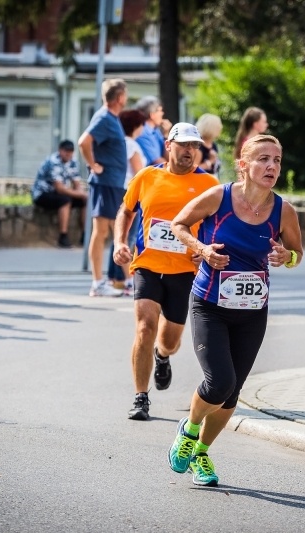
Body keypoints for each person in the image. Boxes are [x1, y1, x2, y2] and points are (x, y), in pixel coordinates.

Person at [167, 134, 303, 487]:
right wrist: (202, 249)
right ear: (243, 165)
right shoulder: (219, 197)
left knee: (232, 393)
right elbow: (178, 225)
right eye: (262, 159)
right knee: (219, 381)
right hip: (210, 304)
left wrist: (285, 256)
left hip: (253, 311)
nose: (271, 166)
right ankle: (189, 430)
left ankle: (200, 454)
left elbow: (297, 254)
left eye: (276, 159)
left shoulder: (283, 210)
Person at [112, 122, 219, 421]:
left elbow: (218, 223)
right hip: (147, 264)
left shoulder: (209, 185)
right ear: (168, 145)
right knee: (144, 326)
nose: (189, 151)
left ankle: (162, 356)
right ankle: (140, 397)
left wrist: (205, 250)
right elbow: (126, 209)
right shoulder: (147, 176)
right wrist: (120, 241)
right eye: (184, 144)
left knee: (170, 340)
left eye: (195, 146)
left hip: (184, 270)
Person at [78, 78, 128, 296]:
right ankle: (98, 283)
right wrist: (92, 165)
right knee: (101, 232)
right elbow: (83, 142)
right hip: (104, 181)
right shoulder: (104, 118)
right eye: (125, 94)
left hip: (112, 182)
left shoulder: (111, 118)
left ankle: (123, 280)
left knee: (111, 231)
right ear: (119, 98)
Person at [106, 108, 147, 290]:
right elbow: (139, 172)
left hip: (120, 189)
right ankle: (126, 279)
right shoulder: (131, 144)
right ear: (136, 126)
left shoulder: (122, 143)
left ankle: (115, 278)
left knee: (119, 235)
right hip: (132, 191)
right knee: (128, 236)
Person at [32, 139, 88, 248]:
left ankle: (84, 235)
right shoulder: (53, 161)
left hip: (58, 194)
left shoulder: (73, 162)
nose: (68, 153)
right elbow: (60, 189)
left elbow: (77, 183)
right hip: (43, 194)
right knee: (65, 200)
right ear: (60, 151)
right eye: (66, 151)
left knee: (85, 201)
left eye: (70, 151)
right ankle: (63, 236)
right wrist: (81, 194)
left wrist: (83, 195)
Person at [134, 96, 171, 165]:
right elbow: (158, 162)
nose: (162, 113)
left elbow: (169, 157)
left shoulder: (156, 130)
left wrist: (166, 135)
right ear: (152, 115)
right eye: (160, 110)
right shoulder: (142, 133)